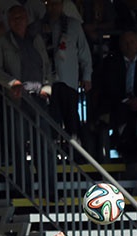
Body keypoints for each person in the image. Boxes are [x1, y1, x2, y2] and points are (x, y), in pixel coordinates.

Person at [95, 30, 137, 160]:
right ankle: (125, 147)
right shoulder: (110, 62)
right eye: (125, 43)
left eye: (132, 42)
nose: (128, 45)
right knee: (123, 114)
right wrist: (127, 100)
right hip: (117, 103)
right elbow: (110, 87)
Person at [40, 0, 93, 140]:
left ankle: (76, 154)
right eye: (50, 3)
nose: (53, 7)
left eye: (56, 3)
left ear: (62, 5)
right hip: (47, 81)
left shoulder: (73, 25)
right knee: (50, 119)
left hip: (68, 80)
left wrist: (87, 76)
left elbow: (84, 52)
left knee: (72, 120)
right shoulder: (38, 26)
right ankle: (52, 153)